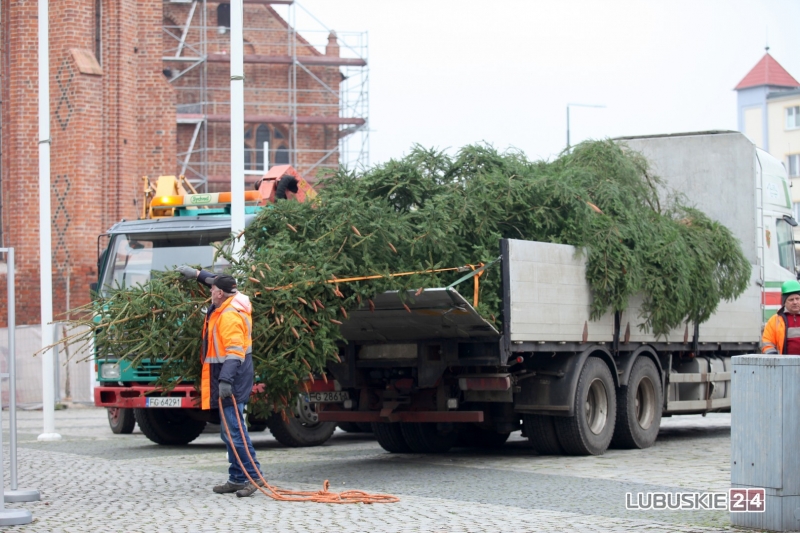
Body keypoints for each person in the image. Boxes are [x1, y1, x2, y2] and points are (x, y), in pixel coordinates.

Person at [177, 265, 265, 497]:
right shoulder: (236, 298)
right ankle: (236, 478)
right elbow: (216, 280)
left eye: (212, 289)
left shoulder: (228, 316)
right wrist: (196, 274)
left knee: (235, 431)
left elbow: (235, 352)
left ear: (219, 294)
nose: (210, 290)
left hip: (232, 378)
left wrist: (225, 381)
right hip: (234, 376)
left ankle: (254, 477)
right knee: (228, 431)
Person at [762, 279, 800, 355]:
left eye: (797, 298)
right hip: (785, 365)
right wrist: (774, 358)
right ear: (784, 302)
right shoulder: (775, 320)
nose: (795, 302)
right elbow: (767, 342)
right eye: (791, 300)